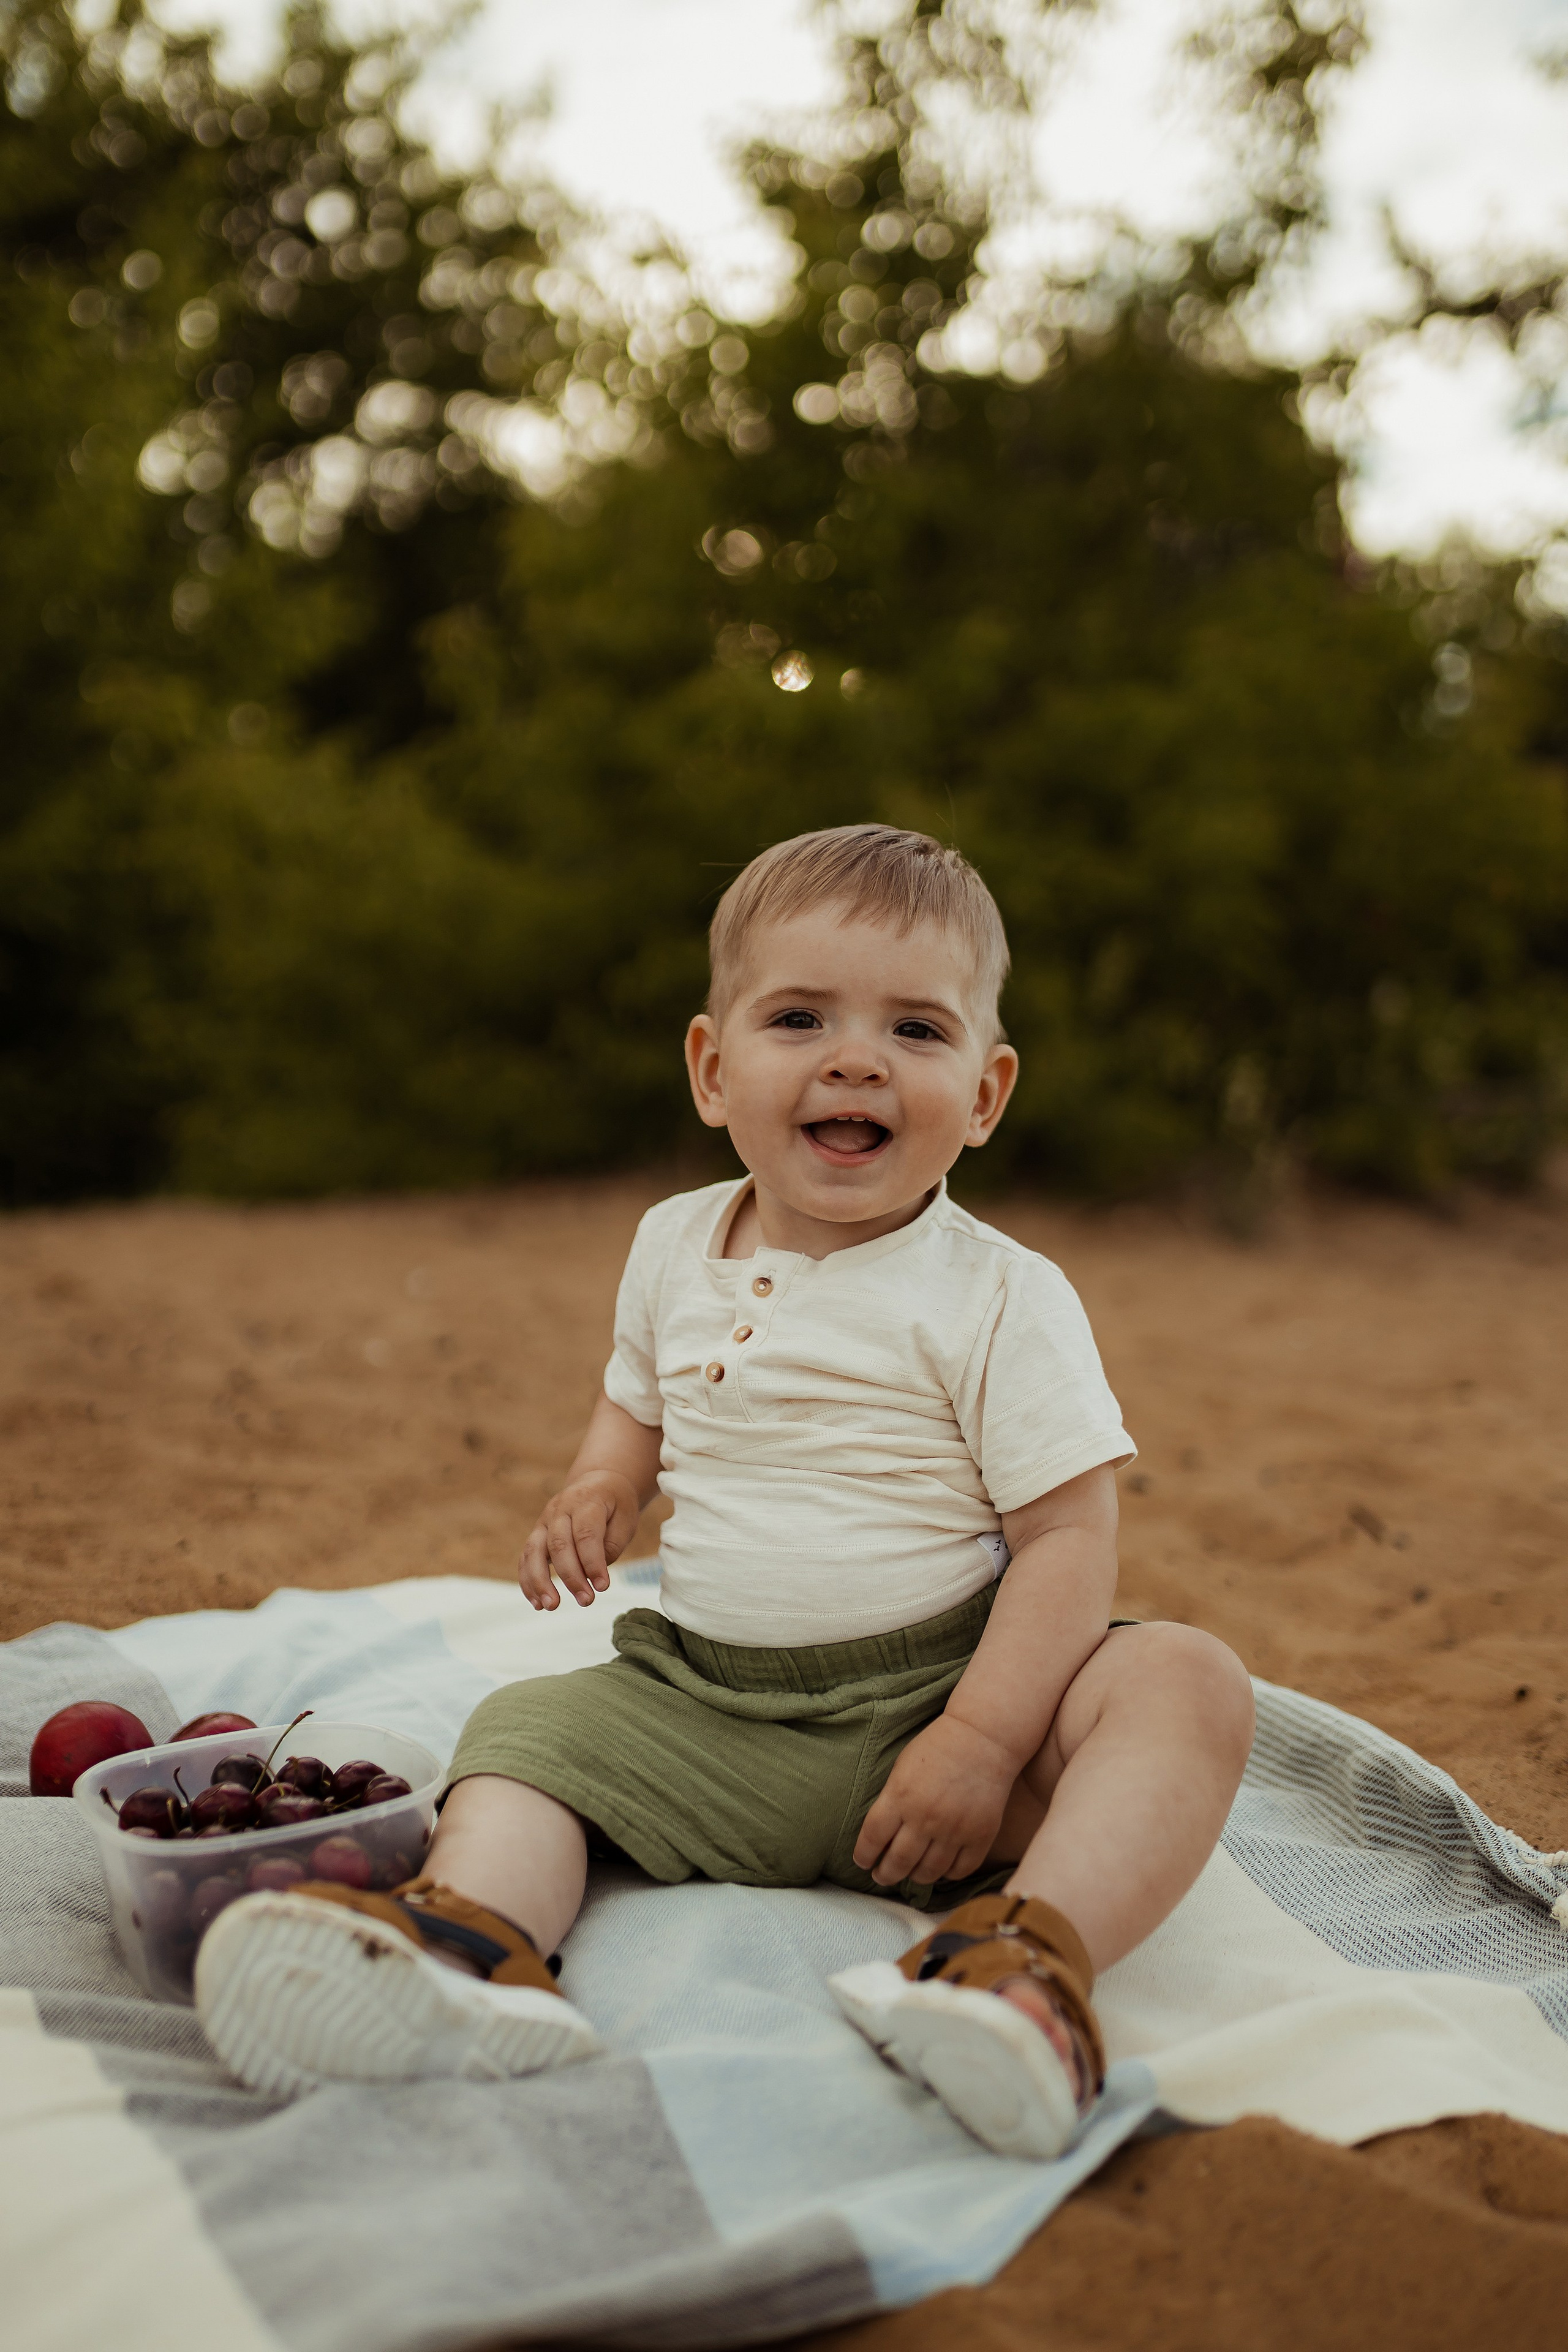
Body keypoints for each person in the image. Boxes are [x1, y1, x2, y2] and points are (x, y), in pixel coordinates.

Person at [197, 823, 1254, 2158]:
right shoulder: (670, 1244)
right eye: (800, 1017)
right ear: (713, 1069)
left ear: (985, 1096)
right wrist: (600, 1486)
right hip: (701, 1707)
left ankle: (1023, 1965)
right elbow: (637, 1402)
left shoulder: (998, 1294)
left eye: (916, 1030)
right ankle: (465, 1952)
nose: (855, 1059)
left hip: (937, 1712)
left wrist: (984, 1744)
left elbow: (1063, 1539)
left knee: (1183, 1681)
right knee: (521, 1739)